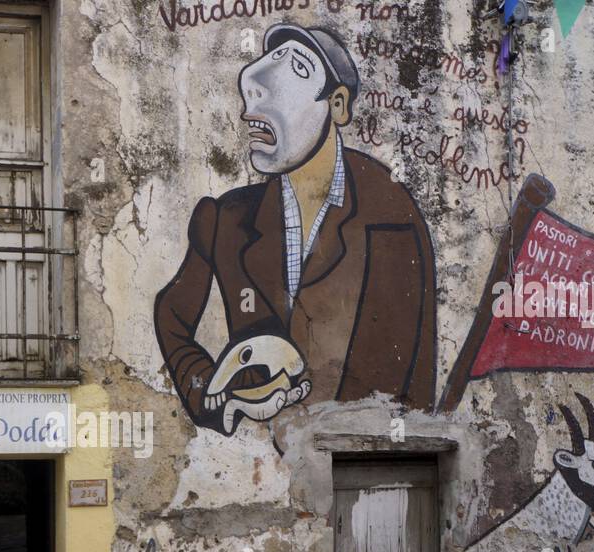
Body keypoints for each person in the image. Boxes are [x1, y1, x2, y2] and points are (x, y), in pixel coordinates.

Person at [154, 22, 437, 435]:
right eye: (262, 73)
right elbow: (171, 313)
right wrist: (211, 392)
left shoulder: (391, 214)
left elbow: (409, 374)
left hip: (355, 461)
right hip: (260, 467)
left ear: (337, 105)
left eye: (298, 71)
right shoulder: (224, 219)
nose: (254, 95)